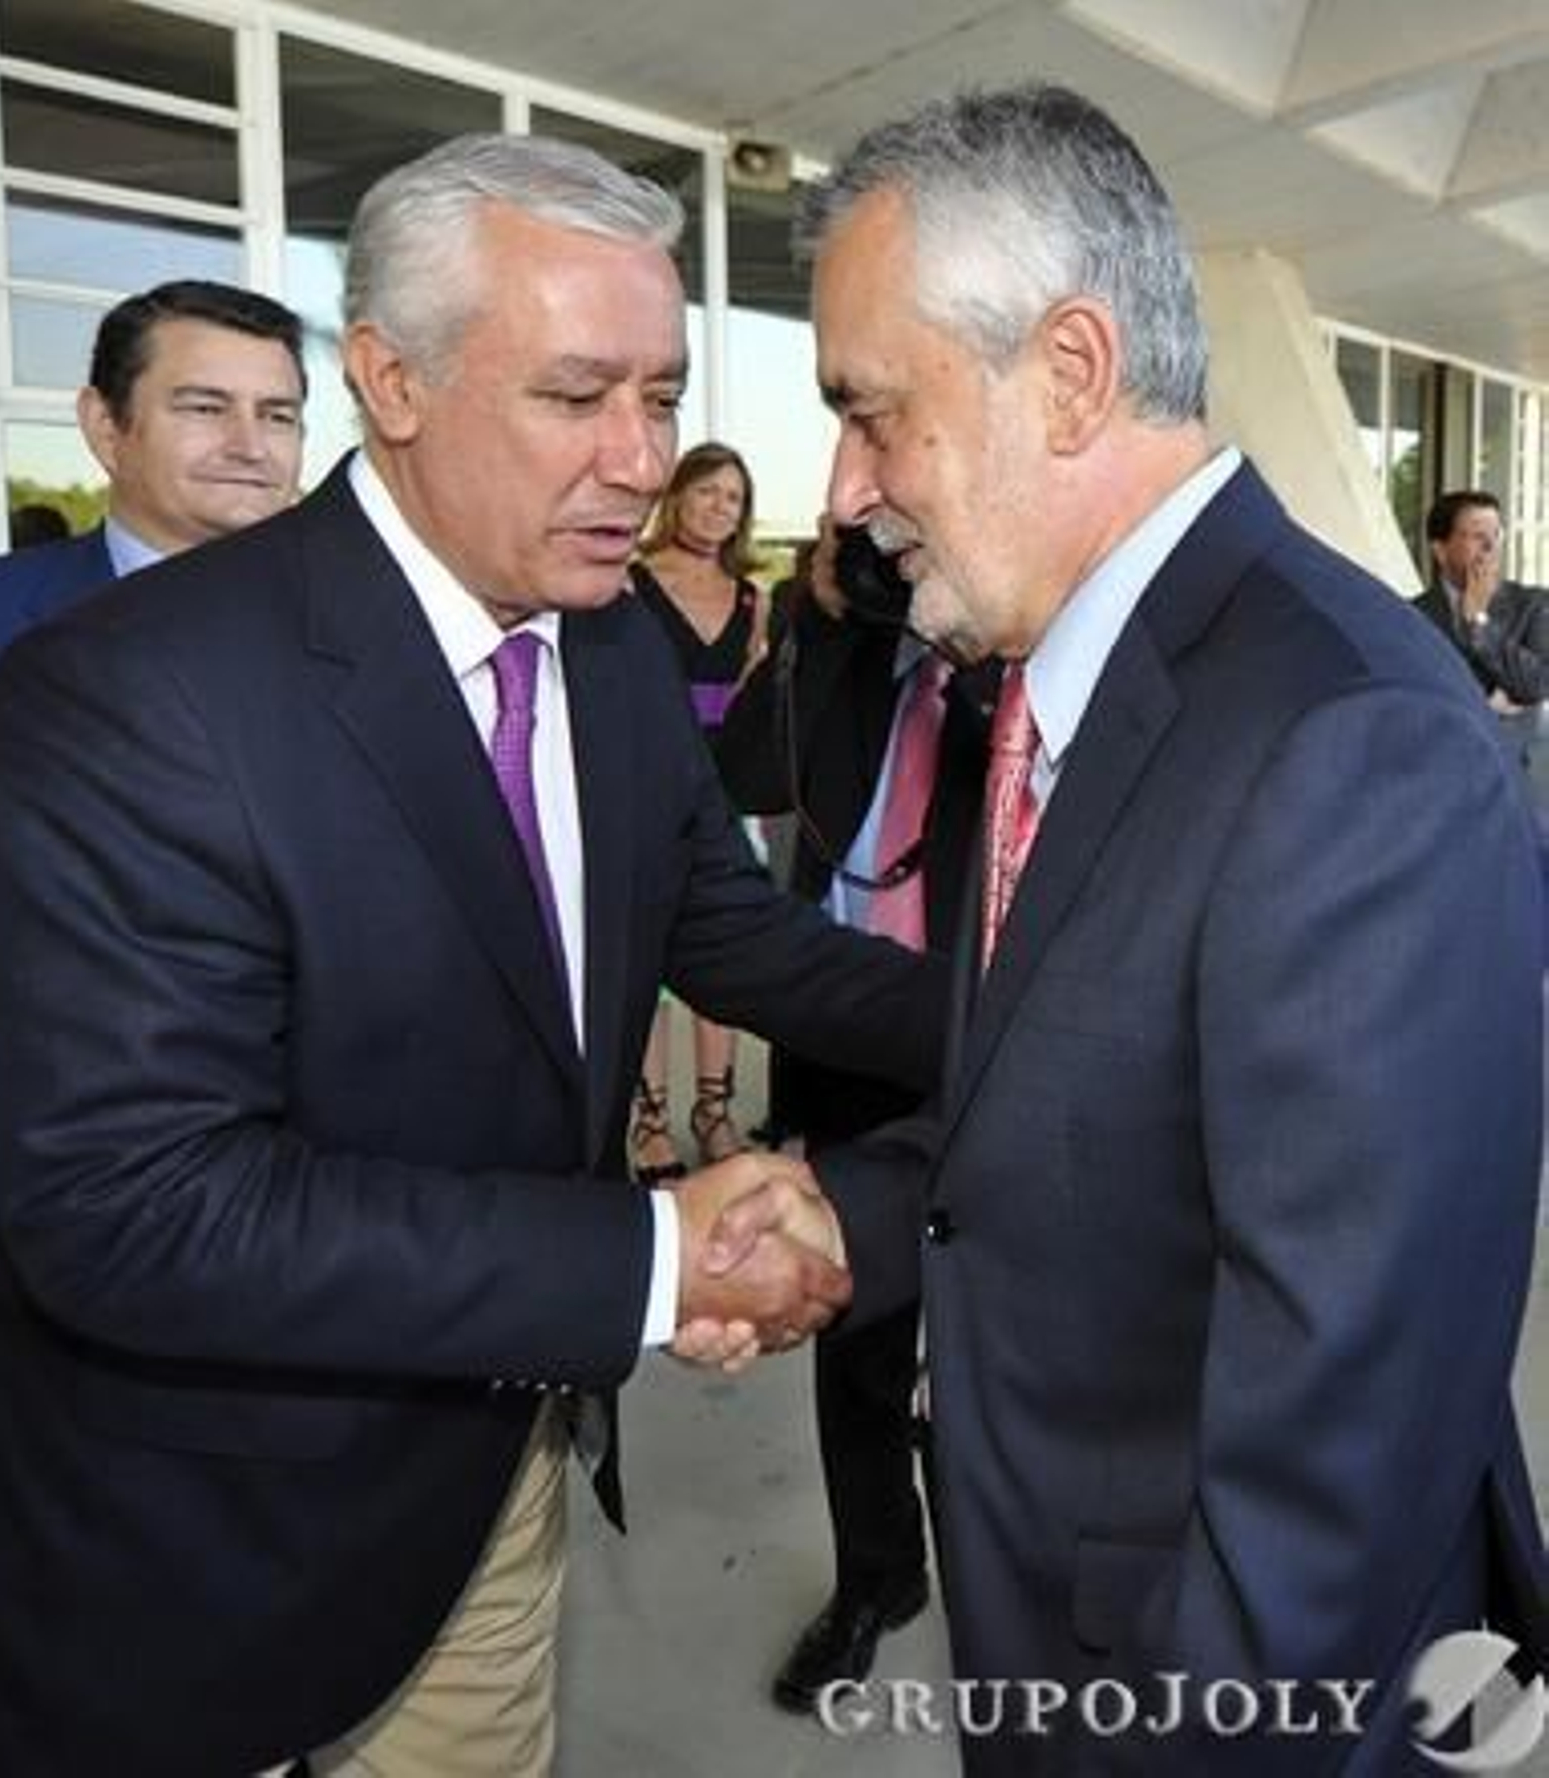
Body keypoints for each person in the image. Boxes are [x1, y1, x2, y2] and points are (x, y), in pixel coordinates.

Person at [0, 133, 944, 1778]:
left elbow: (740, 938)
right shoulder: (133, 691)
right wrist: (654, 1256)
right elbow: (136, 1206)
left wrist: (1065, 1007)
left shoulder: (614, 646)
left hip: (499, 1498)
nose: (640, 458)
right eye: (576, 396)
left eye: (664, 393)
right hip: (200, 1542)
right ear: (387, 380)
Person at [714, 83, 1548, 1772]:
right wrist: (838, 1212)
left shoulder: (1348, 734)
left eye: (875, 413)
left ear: (1073, 375)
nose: (846, 486)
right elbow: (1072, 1110)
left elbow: (1347, 1434)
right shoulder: (1045, 684)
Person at [0, 278, 307, 1266]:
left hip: (306, 1225)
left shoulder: (375, 650)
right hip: (8, 1218)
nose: (249, 442)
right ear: (104, 427)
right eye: (204, 406)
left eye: (277, 414)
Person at [716, 514, 993, 1711]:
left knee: (991, 1343)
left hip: (991, 1039)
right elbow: (748, 779)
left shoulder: (1013, 659)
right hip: (847, 1038)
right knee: (857, 1339)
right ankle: (879, 1576)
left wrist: (964, 638)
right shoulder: (845, 654)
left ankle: (1010, 1588)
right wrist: (822, 625)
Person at [627, 441, 767, 1178]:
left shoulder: (753, 598)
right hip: (644, 786)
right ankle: (648, 1117)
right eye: (707, 491)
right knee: (646, 962)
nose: (719, 508)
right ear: (677, 494)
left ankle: (713, 1111)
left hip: (726, 797)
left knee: (729, 953)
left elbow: (750, 702)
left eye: (733, 499)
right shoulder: (630, 584)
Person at [1414, 488, 1549, 765]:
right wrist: (1490, 702)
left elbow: (1537, 684)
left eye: (1496, 533)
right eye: (1477, 535)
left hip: (1514, 774)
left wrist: (1479, 621)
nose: (1490, 546)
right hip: (1438, 766)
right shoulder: (1411, 615)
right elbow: (1416, 698)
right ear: (1440, 550)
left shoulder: (1534, 604)